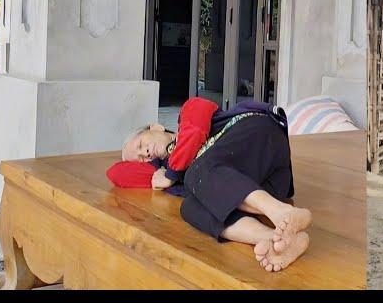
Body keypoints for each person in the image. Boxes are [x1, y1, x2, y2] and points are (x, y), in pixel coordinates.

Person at [108, 97, 313, 273]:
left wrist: (171, 173)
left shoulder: (189, 111)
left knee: (195, 172)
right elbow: (116, 174)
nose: (144, 153)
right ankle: (278, 241)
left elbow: (195, 131)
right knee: (189, 208)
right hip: (264, 184)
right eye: (141, 158)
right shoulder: (173, 169)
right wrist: (154, 167)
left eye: (141, 144)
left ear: (156, 127)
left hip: (258, 134)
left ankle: (281, 213)